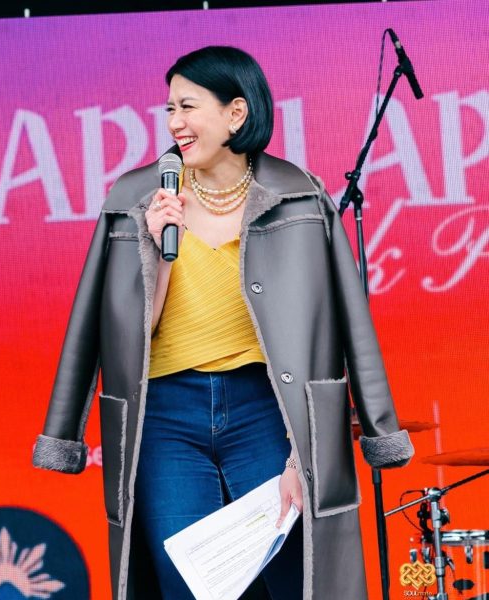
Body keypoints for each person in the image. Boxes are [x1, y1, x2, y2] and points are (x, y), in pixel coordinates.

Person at [32, 45, 414, 600]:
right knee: (188, 583)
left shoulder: (299, 196)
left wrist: (312, 451)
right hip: (165, 416)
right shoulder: (136, 198)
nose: (174, 123)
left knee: (292, 576)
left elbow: (350, 323)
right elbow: (104, 330)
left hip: (268, 411)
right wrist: (157, 251)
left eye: (188, 107)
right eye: (169, 109)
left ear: (236, 113)